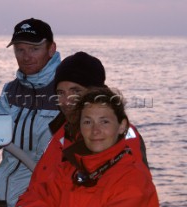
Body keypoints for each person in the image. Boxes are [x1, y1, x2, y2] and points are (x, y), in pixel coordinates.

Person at [16, 51, 149, 206]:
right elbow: (39, 191)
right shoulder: (63, 131)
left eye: (76, 91)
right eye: (60, 93)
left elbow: (131, 194)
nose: (66, 101)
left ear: (96, 93)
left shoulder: (116, 138)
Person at [0, 18, 61, 207]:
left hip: (48, 197)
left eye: (34, 48)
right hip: (6, 196)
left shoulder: (67, 90)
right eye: (20, 49)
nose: (26, 56)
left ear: (51, 49)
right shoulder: (10, 91)